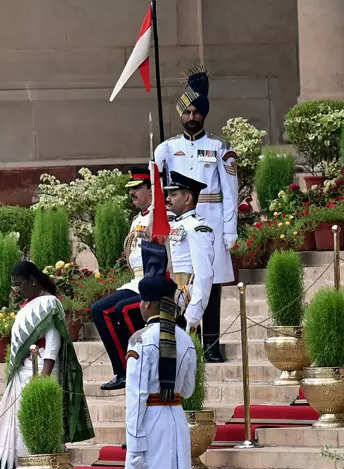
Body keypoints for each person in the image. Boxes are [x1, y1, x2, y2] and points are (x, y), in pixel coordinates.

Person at [0, 261, 94, 469]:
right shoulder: (29, 306)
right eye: (14, 285)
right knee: (11, 425)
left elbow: (53, 342)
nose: (16, 289)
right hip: (23, 371)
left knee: (29, 426)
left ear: (33, 281)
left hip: (40, 372)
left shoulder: (50, 304)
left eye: (19, 284)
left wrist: (44, 377)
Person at [155, 65, 238, 362]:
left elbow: (229, 190)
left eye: (196, 113)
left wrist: (230, 229)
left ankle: (211, 344)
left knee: (211, 283)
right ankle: (183, 340)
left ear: (204, 115)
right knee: (183, 283)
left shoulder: (218, 148)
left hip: (211, 221)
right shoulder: (168, 147)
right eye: (187, 113)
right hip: (179, 224)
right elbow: (158, 189)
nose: (192, 118)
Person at [125, 275, 196, 469]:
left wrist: (135, 443)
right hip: (175, 418)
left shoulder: (140, 340)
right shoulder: (186, 340)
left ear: (148, 304)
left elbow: (136, 396)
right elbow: (188, 390)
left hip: (150, 423)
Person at [92, 166, 161, 391]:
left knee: (122, 309)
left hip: (153, 278)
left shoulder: (159, 215)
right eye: (131, 189)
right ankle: (122, 370)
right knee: (99, 309)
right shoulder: (136, 219)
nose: (133, 194)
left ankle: (138, 365)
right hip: (136, 281)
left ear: (151, 189)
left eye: (138, 188)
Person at [167, 171, 215, 335]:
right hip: (168, 294)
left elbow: (204, 275)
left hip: (184, 297)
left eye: (173, 194)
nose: (168, 199)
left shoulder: (197, 228)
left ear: (187, 198)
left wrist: (192, 316)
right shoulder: (171, 224)